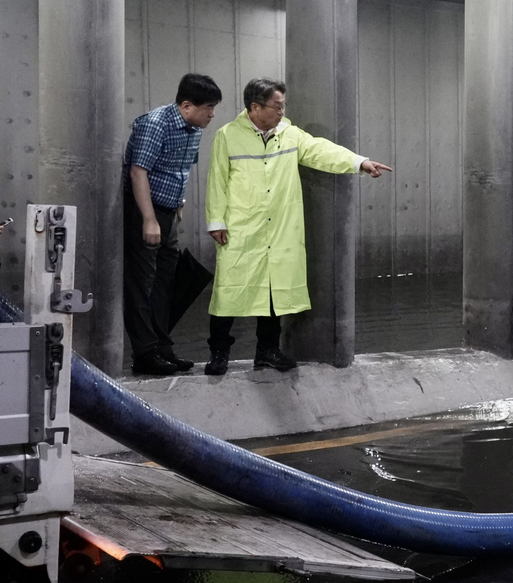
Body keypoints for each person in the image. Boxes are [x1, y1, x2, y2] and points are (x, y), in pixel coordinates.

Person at [203, 78, 392, 376]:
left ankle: (266, 351)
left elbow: (320, 150)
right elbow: (217, 181)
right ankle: (219, 353)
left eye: (282, 106)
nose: (282, 111)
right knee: (228, 291)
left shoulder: (289, 135)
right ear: (255, 107)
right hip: (241, 227)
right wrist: (216, 221)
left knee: (272, 294)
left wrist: (359, 162)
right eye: (277, 106)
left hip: (278, 228)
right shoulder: (227, 136)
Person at [123, 74, 222, 376]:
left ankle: (163, 348)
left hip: (169, 212)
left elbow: (181, 169)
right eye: (207, 108)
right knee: (142, 283)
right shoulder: (156, 124)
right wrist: (150, 219)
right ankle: (145, 354)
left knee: (165, 284)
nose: (212, 114)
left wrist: (178, 207)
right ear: (186, 105)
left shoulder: (194, 128)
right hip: (144, 211)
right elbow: (138, 172)